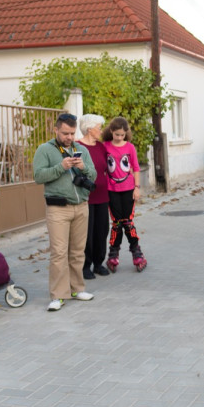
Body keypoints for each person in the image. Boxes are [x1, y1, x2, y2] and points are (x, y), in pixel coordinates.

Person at [33, 113, 97, 312]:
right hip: (58, 208)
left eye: (71, 133)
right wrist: (61, 167)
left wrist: (83, 167)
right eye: (65, 133)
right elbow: (38, 176)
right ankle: (58, 296)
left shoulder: (82, 150)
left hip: (81, 206)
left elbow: (94, 174)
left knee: (78, 251)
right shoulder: (45, 149)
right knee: (59, 253)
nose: (69, 137)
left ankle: (77, 289)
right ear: (56, 130)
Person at [102, 117, 147, 273]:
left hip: (128, 189)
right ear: (111, 132)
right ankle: (113, 254)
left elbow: (135, 168)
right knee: (117, 223)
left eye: (122, 135)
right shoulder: (105, 146)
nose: (119, 137)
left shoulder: (130, 147)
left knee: (128, 222)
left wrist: (137, 187)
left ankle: (137, 253)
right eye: (117, 134)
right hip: (111, 190)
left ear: (125, 133)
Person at [77, 114, 109, 280]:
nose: (101, 130)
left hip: (103, 195)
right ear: (90, 129)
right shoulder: (77, 146)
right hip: (86, 197)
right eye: (99, 127)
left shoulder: (101, 147)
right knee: (87, 234)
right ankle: (85, 266)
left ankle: (98, 263)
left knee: (101, 231)